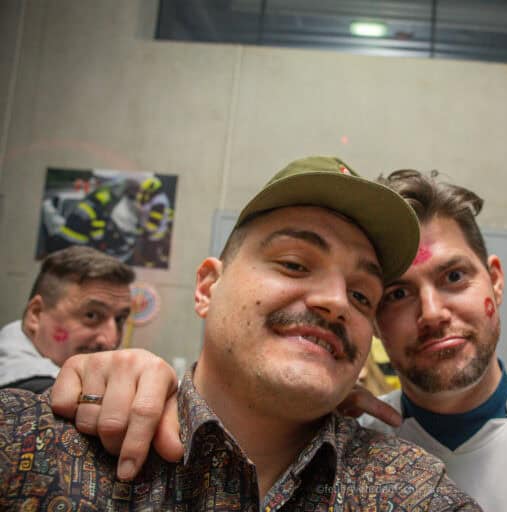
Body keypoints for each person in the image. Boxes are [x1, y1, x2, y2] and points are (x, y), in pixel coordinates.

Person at [49, 169, 507, 510]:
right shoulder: (336, 454)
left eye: (455, 278)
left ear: (495, 279)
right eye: (396, 294)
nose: (432, 313)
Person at [0, 157, 480, 511]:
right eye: (294, 264)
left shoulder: (412, 491)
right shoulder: (30, 441)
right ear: (208, 286)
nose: (337, 301)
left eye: (361, 295)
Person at [0, 245, 134, 392]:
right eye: (91, 315)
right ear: (36, 314)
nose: (111, 341)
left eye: (119, 319)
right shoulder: (30, 392)